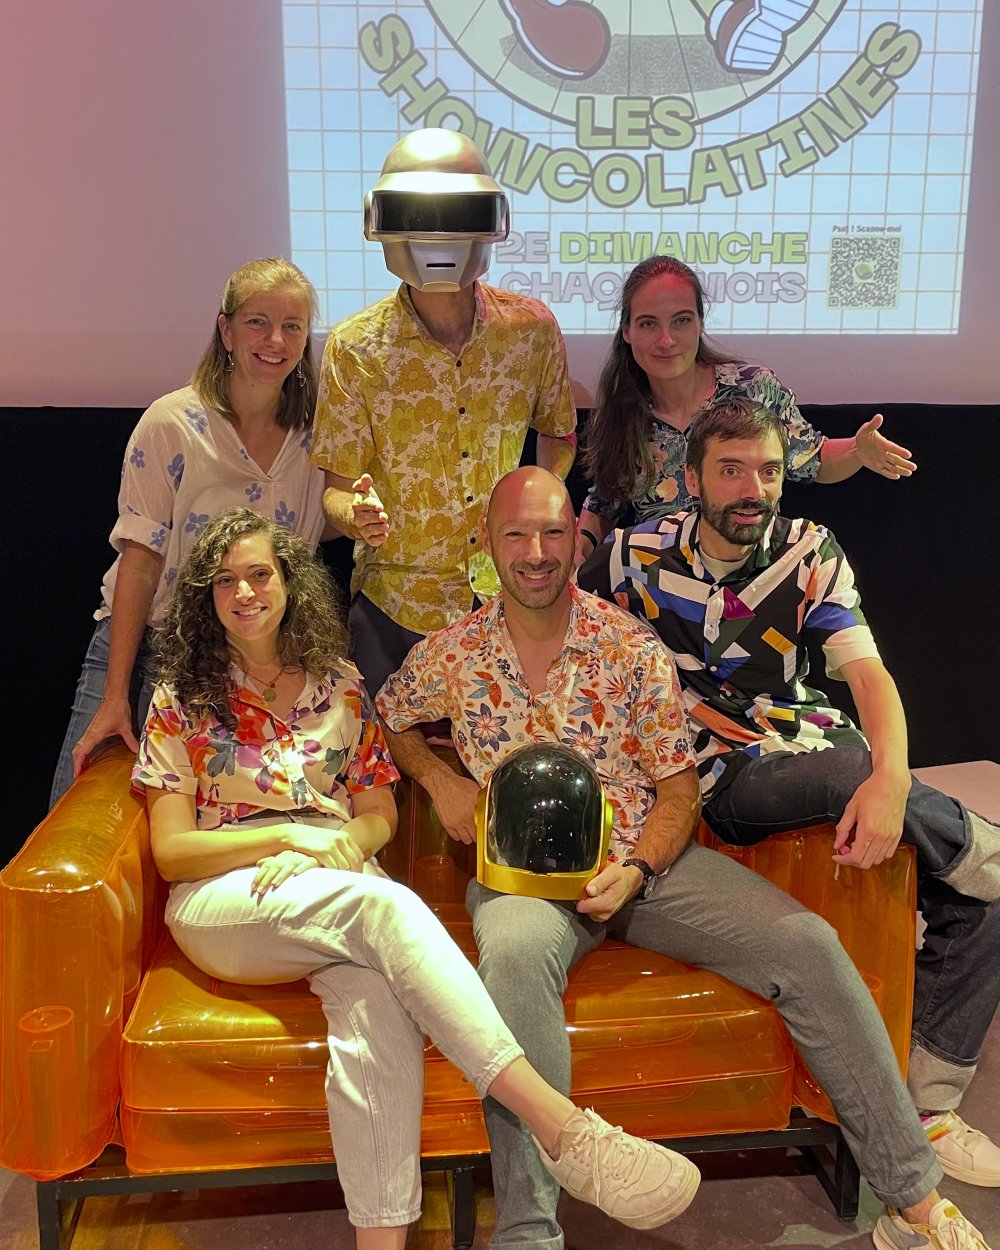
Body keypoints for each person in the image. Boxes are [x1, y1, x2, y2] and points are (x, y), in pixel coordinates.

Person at [378, 466, 991, 1250]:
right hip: (524, 879)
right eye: (516, 534)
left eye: (554, 532)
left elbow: (677, 789)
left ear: (575, 542)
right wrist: (440, 781)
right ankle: (529, 1235)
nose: (536, 552)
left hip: (645, 865)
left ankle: (913, 1205)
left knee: (809, 945)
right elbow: (390, 716)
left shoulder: (628, 647)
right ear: (487, 543)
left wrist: (638, 868)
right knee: (514, 959)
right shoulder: (452, 654)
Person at [131, 506, 701, 1250]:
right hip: (230, 895)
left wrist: (338, 844)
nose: (244, 592)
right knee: (384, 907)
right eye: (225, 581)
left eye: (259, 574)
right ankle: (563, 1128)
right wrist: (291, 835)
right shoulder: (181, 697)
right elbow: (173, 852)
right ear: (206, 597)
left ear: (289, 582)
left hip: (333, 886)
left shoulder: (338, 684)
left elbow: (378, 814)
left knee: (379, 1016)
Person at [579, 397, 1000, 1197]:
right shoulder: (633, 556)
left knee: (981, 900)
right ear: (692, 478)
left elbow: (867, 674)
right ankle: (987, 850)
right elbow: (562, 633)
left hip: (804, 741)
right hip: (714, 772)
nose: (754, 489)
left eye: (769, 471)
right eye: (732, 470)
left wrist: (893, 780)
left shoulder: (809, 548)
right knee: (857, 775)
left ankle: (929, 1107)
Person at [51, 257, 330, 806]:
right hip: (149, 648)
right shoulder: (172, 424)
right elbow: (139, 564)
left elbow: (316, 538)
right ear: (225, 331)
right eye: (257, 322)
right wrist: (115, 694)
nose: (275, 340)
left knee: (214, 820)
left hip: (251, 661)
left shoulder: (317, 434)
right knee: (84, 815)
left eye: (292, 326)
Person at [310, 127, 577, 695]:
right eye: (419, 215)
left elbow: (560, 435)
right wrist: (355, 513)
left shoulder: (530, 331)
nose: (438, 235)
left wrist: (538, 506)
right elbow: (334, 490)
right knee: (386, 747)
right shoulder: (355, 347)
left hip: (507, 595)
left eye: (457, 214)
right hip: (396, 603)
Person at [577, 254, 916, 561]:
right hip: (658, 587)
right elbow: (604, 502)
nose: (666, 340)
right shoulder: (621, 410)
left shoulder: (753, 389)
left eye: (681, 321)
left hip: (752, 582)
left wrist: (856, 450)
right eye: (649, 323)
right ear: (627, 331)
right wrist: (577, 551)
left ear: (700, 323)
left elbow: (812, 459)